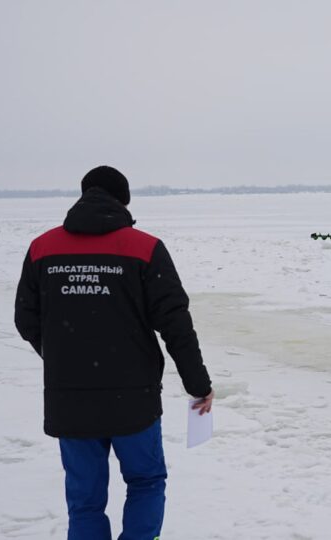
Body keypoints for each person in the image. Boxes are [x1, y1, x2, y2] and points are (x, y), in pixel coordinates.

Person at [14, 165, 214, 540]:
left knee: (85, 500)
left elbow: (26, 319)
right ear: (123, 202)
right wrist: (198, 385)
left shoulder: (43, 248)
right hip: (133, 399)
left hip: (70, 397)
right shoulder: (144, 248)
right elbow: (175, 324)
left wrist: (63, 355)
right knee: (146, 481)